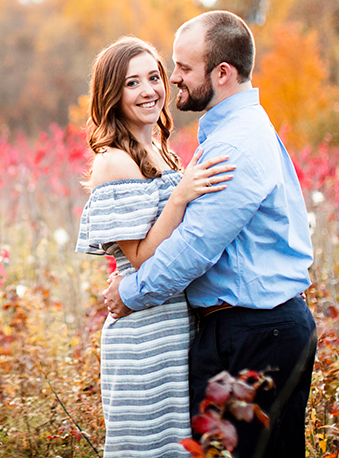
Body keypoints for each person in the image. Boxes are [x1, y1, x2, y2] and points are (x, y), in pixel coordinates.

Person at [102, 11, 317, 458]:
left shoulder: (234, 144)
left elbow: (194, 248)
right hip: (242, 329)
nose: (171, 79)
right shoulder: (225, 134)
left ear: (221, 73)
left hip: (255, 332)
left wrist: (131, 292)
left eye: (181, 68)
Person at [76, 36, 235, 457]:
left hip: (176, 329)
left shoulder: (161, 150)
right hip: (142, 337)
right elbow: (143, 257)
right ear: (112, 94)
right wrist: (181, 195)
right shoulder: (114, 160)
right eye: (132, 83)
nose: (149, 90)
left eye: (154, 77)